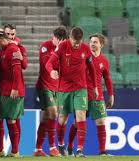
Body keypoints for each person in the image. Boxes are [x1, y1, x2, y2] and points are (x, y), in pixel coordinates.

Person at [45, 27, 98, 157]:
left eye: (79, 42)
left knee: (80, 116)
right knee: (62, 120)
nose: (76, 44)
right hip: (64, 89)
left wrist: (95, 87)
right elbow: (49, 63)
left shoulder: (85, 49)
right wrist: (51, 71)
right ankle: (62, 144)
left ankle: (79, 150)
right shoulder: (63, 46)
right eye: (75, 41)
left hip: (81, 89)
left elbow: (91, 69)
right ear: (70, 38)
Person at [67, 33, 114, 156]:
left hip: (97, 96)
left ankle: (102, 152)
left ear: (101, 45)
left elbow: (107, 78)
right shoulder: (84, 56)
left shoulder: (104, 61)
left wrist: (111, 95)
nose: (92, 44)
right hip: (82, 94)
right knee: (77, 123)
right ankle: (70, 147)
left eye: (95, 42)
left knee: (101, 122)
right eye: (91, 41)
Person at [0, 23, 27, 156]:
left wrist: (15, 88)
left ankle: (15, 151)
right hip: (1, 90)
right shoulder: (1, 50)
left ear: (0, 40)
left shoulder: (13, 49)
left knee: (11, 119)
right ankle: (0, 150)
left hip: (12, 91)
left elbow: (17, 69)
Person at [33, 27, 68, 157]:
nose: (54, 40)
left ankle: (37, 149)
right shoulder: (45, 46)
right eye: (54, 37)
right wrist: (53, 70)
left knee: (45, 118)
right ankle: (53, 148)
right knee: (53, 113)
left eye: (58, 39)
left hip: (57, 88)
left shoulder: (66, 49)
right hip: (44, 86)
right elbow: (46, 63)